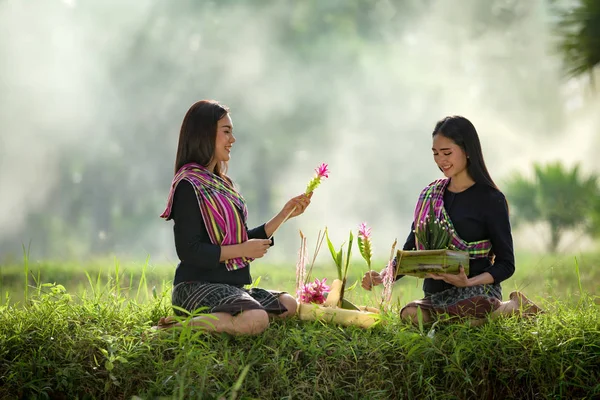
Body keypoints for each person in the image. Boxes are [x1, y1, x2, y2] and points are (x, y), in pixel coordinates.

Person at [361, 116, 543, 325]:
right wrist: (384, 276)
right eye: (436, 154)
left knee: (469, 310)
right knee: (410, 314)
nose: (441, 160)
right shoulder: (431, 196)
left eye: (447, 153)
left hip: (475, 292)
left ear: (467, 150)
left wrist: (468, 281)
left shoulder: (491, 199)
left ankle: (494, 312)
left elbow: (506, 264)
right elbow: (411, 250)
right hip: (435, 297)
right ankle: (505, 312)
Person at [155, 100, 311, 335]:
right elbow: (189, 250)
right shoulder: (188, 185)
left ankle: (226, 317)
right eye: (226, 131)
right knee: (257, 318)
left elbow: (238, 241)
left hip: (228, 286)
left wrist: (284, 215)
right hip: (195, 287)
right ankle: (176, 328)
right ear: (204, 133)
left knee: (288, 304)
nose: (232, 139)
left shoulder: (222, 185)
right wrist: (242, 250)